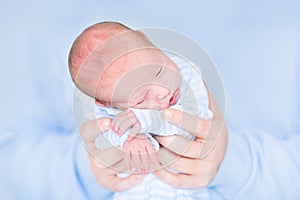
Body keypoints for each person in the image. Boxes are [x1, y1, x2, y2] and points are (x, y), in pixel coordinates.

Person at [69, 22, 218, 199]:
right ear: (107, 103)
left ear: (146, 39)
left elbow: (190, 122)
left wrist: (146, 118)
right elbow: (104, 136)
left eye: (159, 71)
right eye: (141, 98)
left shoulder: (188, 74)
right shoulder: (109, 108)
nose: (163, 92)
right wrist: (127, 139)